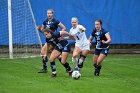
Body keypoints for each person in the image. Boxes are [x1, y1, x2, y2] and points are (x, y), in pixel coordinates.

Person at [37, 9, 66, 73]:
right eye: (48, 13)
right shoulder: (45, 21)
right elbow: (43, 31)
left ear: (52, 14)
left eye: (50, 13)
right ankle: (45, 68)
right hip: (48, 40)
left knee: (53, 54)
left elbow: (64, 28)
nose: (49, 14)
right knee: (44, 52)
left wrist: (58, 35)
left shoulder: (56, 21)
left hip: (54, 40)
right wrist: (39, 29)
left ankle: (66, 67)